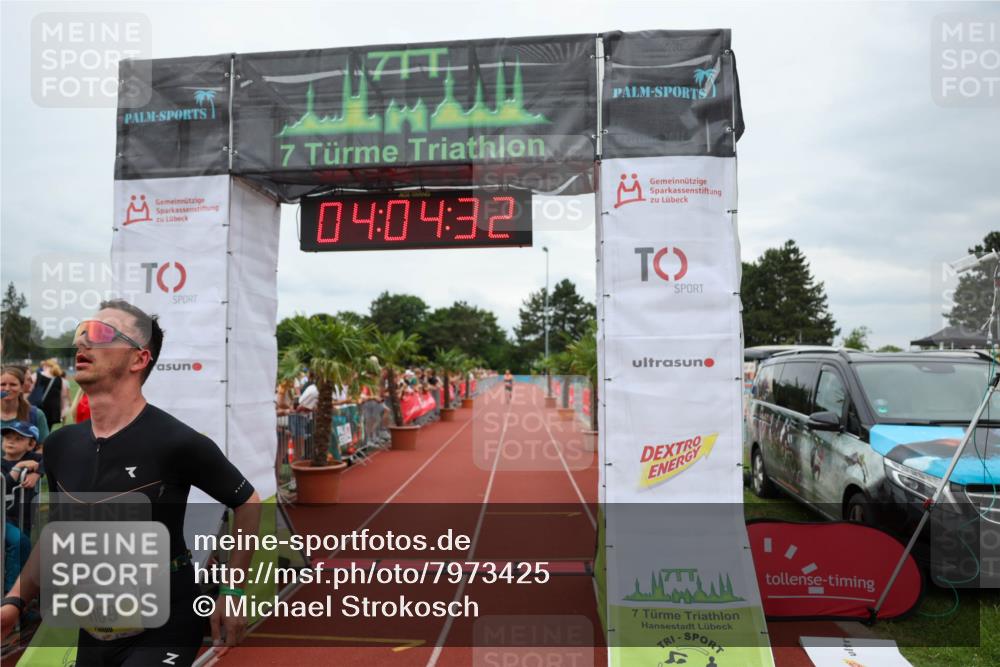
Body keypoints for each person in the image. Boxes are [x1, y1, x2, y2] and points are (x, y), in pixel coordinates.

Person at [0, 300, 262, 667]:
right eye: (82, 333)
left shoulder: (178, 442)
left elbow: (248, 502)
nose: (82, 344)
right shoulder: (60, 445)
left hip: (168, 619)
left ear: (139, 359)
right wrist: (14, 601)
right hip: (93, 625)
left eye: (102, 334)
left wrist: (232, 591)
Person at [1, 420, 42, 594]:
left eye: (18, 439)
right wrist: (18, 468)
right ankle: (11, 597)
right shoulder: (2, 463)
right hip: (3, 518)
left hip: (22, 519)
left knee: (20, 556)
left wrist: (37, 473)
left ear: (31, 444)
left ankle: (20, 601)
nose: (11, 441)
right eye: (8, 437)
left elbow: (52, 458)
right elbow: (5, 486)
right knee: (20, 543)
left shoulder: (33, 459)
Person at [1, 367, 49, 443]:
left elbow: (43, 447)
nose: (7, 388)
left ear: (22, 387)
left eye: (13, 384)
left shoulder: (35, 415)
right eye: (2, 384)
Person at [29, 358, 70, 428]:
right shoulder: (61, 381)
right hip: (51, 413)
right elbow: (64, 399)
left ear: (45, 366)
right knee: (45, 433)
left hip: (35, 409)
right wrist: (62, 413)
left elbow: (28, 390)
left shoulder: (36, 376)